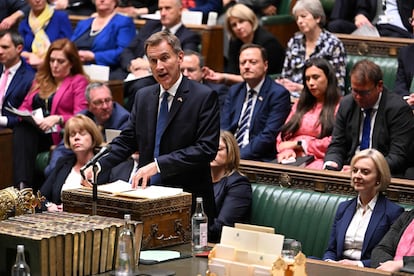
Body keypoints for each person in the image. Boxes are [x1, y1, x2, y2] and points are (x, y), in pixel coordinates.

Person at [94, 31, 220, 222]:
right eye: (153, 61)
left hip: (187, 201)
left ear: (179, 58)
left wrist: (158, 165)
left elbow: (206, 149)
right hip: (147, 197)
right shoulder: (143, 96)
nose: (159, 67)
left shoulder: (202, 97)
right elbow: (128, 140)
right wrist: (98, 165)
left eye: (164, 58)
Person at [13, 38, 89, 190]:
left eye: (60, 61)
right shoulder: (41, 79)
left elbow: (81, 115)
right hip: (38, 131)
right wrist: (31, 117)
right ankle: (23, 188)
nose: (55, 65)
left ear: (71, 63)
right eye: (52, 60)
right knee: (22, 128)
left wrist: (58, 119)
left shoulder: (78, 81)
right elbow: (24, 106)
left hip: (61, 134)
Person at [324, 59, 414, 178]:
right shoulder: (347, 103)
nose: (358, 97)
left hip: (383, 175)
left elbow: (398, 156)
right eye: (354, 91)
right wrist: (332, 165)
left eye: (364, 93)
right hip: (348, 172)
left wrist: (361, 169)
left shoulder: (398, 109)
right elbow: (337, 144)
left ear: (379, 86)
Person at [323, 149, 404, 267]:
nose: (357, 176)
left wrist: (359, 265)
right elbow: (331, 250)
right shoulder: (343, 208)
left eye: (365, 172)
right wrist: (329, 263)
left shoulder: (393, 212)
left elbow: (388, 257)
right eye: (355, 170)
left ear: (379, 178)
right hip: (338, 268)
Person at [221, 43, 290, 161]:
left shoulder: (278, 94)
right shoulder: (234, 91)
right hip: (227, 155)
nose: (247, 66)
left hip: (258, 159)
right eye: (243, 63)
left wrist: (236, 157)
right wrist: (224, 152)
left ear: (265, 65)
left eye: (253, 62)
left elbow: (268, 136)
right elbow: (224, 127)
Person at [44, 81, 130, 177]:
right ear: (88, 105)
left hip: (108, 169)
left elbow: (119, 153)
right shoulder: (83, 117)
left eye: (108, 100)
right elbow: (63, 149)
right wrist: (53, 172)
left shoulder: (123, 119)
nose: (105, 106)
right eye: (98, 102)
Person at [276, 58, 341, 169]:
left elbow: (335, 142)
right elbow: (283, 138)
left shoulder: (340, 106)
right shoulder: (300, 104)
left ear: (328, 78)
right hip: (292, 158)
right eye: (307, 79)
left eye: (316, 77)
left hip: (321, 162)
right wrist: (288, 149)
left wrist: (301, 144)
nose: (310, 83)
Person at [40, 114, 109, 212]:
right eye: (72, 135)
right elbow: (40, 197)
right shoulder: (63, 163)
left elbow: (107, 203)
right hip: (58, 220)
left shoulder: (104, 165)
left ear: (93, 137)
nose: (76, 138)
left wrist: (73, 208)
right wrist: (49, 206)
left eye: (82, 133)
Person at [276, 0, 346, 95]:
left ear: (317, 18)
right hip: (291, 97)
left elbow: (337, 86)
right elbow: (285, 75)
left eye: (303, 16)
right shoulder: (294, 41)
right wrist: (283, 83)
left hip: (320, 99)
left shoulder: (333, 44)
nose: (299, 21)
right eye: (297, 18)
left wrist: (302, 88)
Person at [203, 3, 284, 85]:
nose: (238, 27)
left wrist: (225, 77)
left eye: (241, 21)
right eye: (234, 25)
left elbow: (260, 78)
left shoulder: (268, 42)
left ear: (251, 20)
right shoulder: (235, 41)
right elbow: (233, 71)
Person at [118, 0, 200, 80]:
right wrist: (132, 66)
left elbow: (183, 64)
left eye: (167, 8)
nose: (163, 13)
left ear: (180, 10)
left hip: (159, 78)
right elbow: (128, 50)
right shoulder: (150, 26)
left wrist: (149, 65)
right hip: (133, 71)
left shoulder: (189, 36)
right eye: (160, 9)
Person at [71, 0, 136, 80]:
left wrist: (94, 56)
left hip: (107, 70)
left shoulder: (124, 22)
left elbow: (123, 52)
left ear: (115, 2)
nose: (102, 0)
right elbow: (70, 45)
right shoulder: (83, 23)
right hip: (77, 67)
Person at [209, 130, 252, 242]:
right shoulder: (198, 180)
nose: (212, 152)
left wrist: (192, 229)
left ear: (230, 152)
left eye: (218, 149)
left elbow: (223, 228)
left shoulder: (239, 184)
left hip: (223, 245)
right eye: (209, 147)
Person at [18, 0, 73, 69]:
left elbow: (68, 46)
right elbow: (19, 49)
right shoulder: (24, 22)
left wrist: (47, 61)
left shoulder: (60, 17)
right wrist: (30, 55)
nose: (37, 1)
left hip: (56, 66)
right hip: (30, 66)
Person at [0, 30, 35, 129]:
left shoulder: (30, 79)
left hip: (10, 132)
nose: (0, 51)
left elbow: (26, 117)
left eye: (5, 47)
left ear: (19, 48)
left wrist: (2, 120)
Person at [394, 9, 414, 105]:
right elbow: (399, 87)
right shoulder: (405, 53)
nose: (413, 24)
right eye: (412, 20)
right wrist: (408, 99)